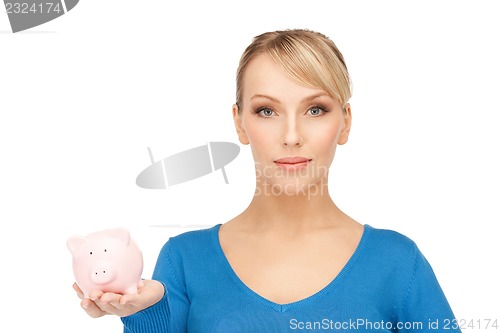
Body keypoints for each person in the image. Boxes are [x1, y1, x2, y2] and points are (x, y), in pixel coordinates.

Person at [73, 29, 461, 332]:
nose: (291, 135)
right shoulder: (184, 261)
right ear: (239, 123)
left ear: (345, 122)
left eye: (315, 109)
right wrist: (143, 314)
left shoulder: (396, 262)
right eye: (266, 111)